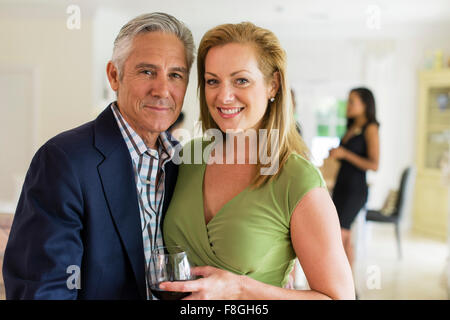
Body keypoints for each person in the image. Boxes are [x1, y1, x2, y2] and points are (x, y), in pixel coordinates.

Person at [2, 12, 194, 299]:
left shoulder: (185, 164)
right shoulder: (64, 160)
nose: (162, 89)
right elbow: (43, 289)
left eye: (175, 75)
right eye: (147, 72)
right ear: (114, 76)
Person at [160, 22, 355, 300]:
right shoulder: (189, 158)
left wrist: (241, 289)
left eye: (241, 80)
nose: (224, 96)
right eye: (213, 81)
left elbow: (339, 297)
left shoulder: (296, 179)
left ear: (272, 84)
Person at [329, 87, 380, 269]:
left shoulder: (371, 128)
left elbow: (374, 164)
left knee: (339, 236)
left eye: (352, 101)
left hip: (354, 190)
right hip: (342, 186)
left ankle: (341, 287)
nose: (348, 105)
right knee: (345, 237)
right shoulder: (352, 127)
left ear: (365, 105)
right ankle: (349, 289)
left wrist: (345, 154)